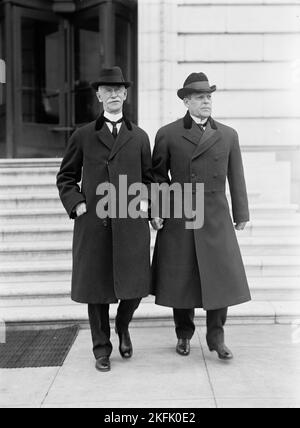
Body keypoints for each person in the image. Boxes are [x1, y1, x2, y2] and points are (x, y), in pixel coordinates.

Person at [57, 67, 153, 372]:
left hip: (130, 223)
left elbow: (149, 178)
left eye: (118, 90)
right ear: (99, 95)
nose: (113, 95)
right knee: (96, 289)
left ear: (125, 95)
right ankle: (101, 348)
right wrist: (78, 204)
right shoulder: (83, 135)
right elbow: (66, 177)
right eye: (107, 90)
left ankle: (122, 327)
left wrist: (149, 207)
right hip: (94, 224)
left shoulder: (139, 136)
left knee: (136, 287)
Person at [151, 72, 251, 360]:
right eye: (199, 97)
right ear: (186, 102)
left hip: (215, 215)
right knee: (180, 277)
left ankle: (216, 338)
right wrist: (158, 210)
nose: (206, 101)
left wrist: (241, 212)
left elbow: (237, 177)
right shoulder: (168, 134)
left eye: (209, 96)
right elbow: (157, 176)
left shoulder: (228, 134)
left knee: (219, 278)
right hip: (181, 215)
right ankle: (183, 335)